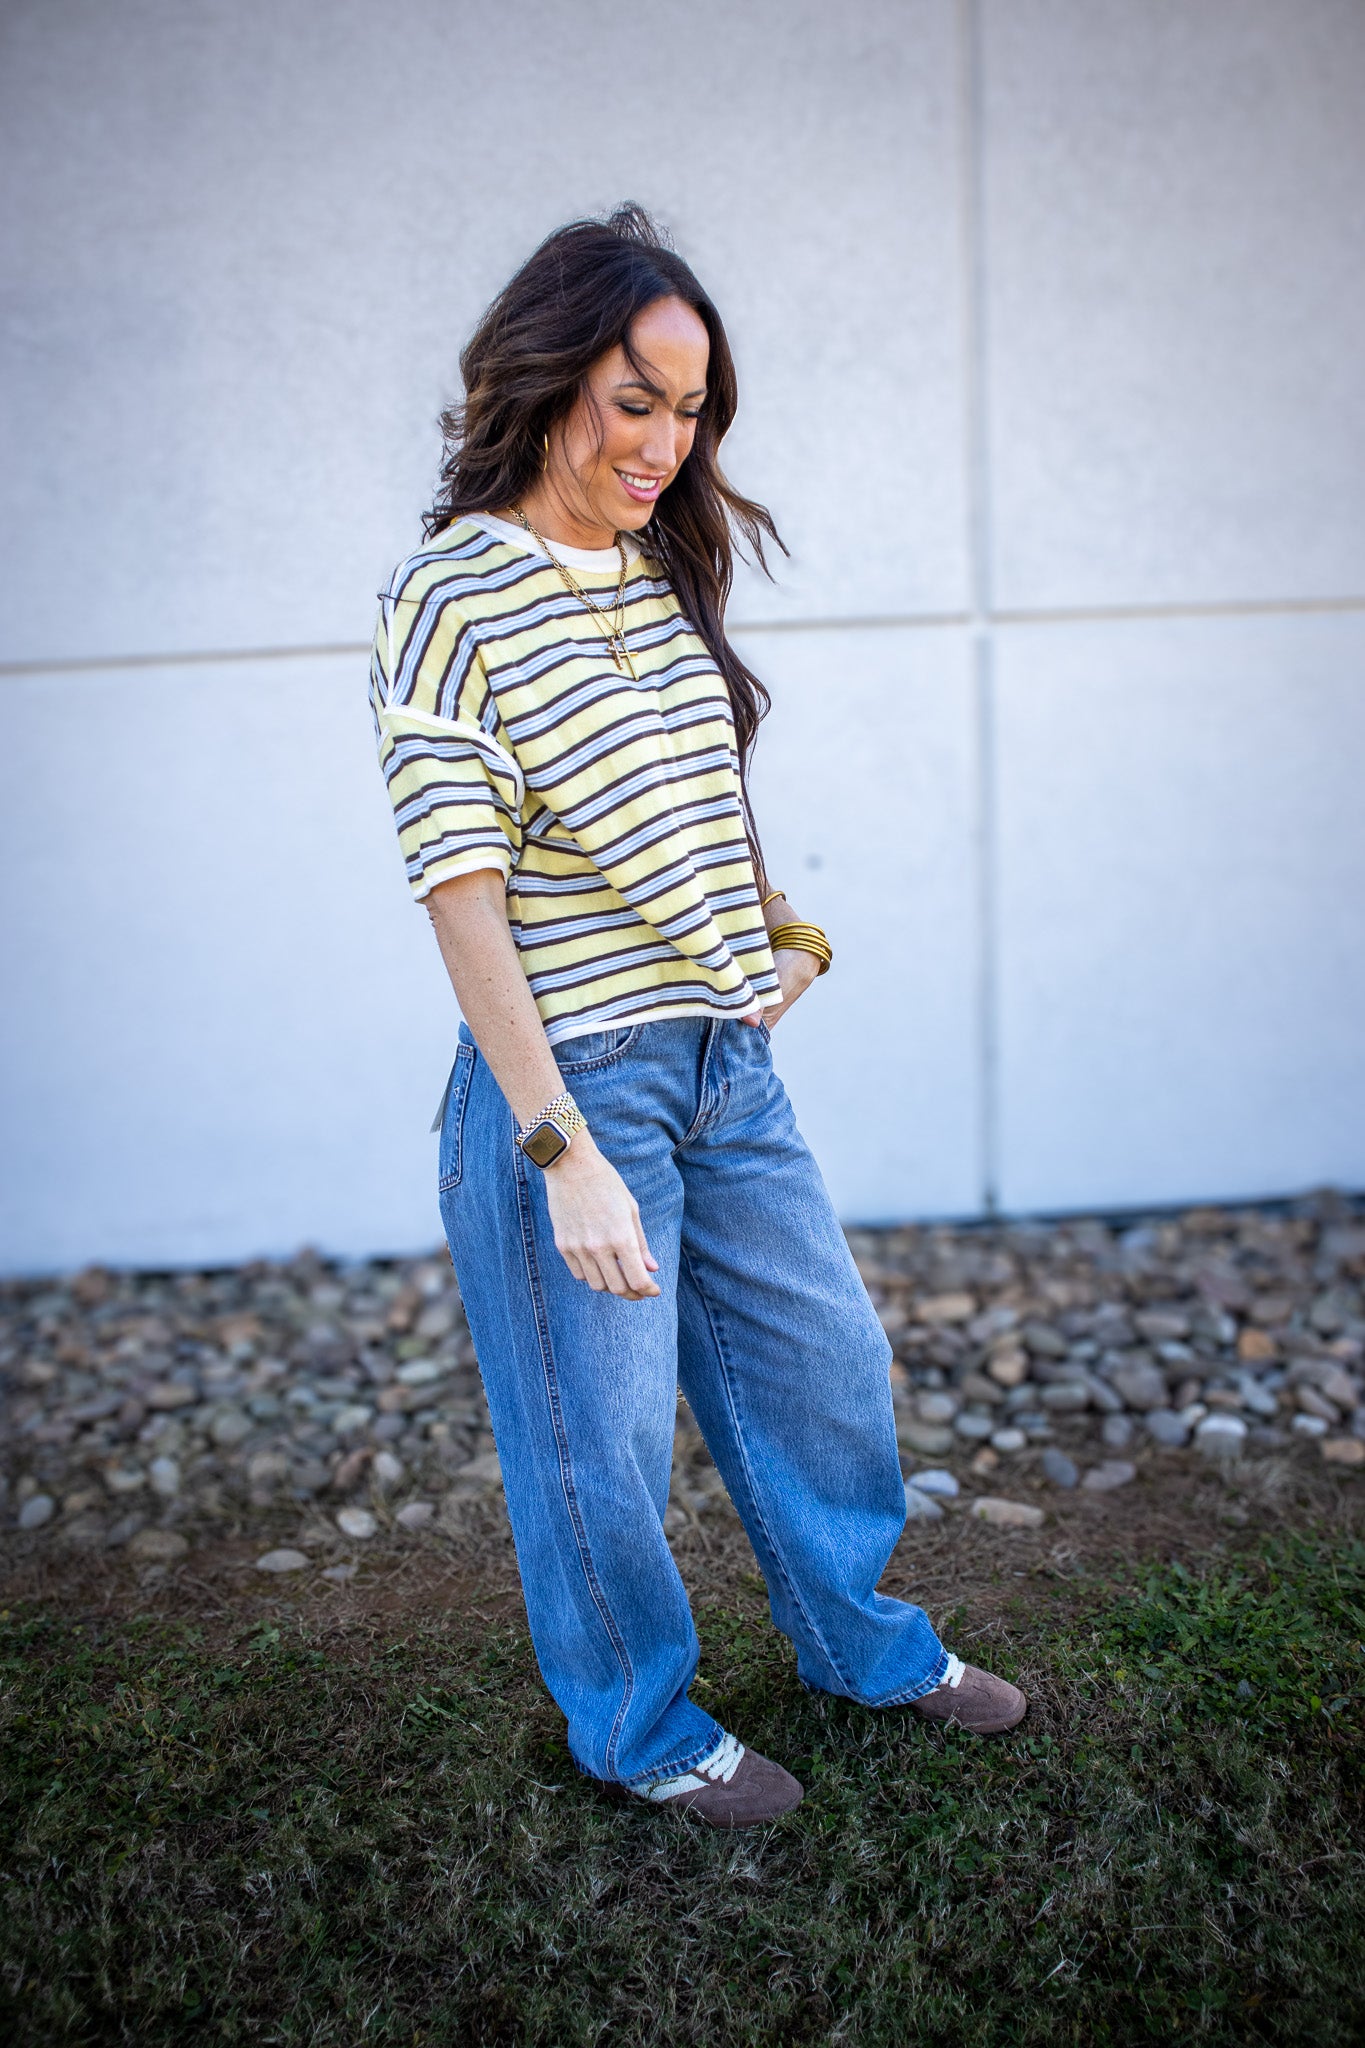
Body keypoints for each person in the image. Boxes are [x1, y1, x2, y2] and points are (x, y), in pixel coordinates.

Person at [370, 205, 1025, 1829]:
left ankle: (859, 1647)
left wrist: (780, 934)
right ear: (545, 378)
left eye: (692, 407)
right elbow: (458, 885)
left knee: (824, 1367)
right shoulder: (451, 594)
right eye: (636, 398)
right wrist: (555, 1144)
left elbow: (695, 793)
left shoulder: (656, 563)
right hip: (571, 1085)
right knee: (596, 1444)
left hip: (728, 1067)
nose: (667, 441)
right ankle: (644, 1732)